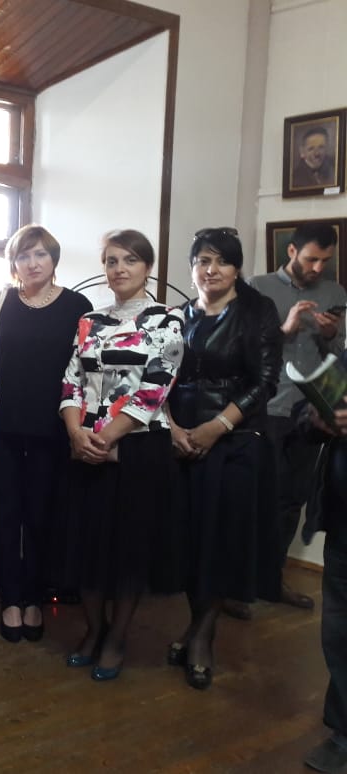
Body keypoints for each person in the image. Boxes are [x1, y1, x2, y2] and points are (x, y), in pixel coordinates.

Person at [59, 229, 183, 681]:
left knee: (129, 548)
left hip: (138, 447)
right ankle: (94, 629)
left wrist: (106, 438)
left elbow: (155, 388)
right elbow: (71, 381)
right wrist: (76, 433)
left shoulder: (167, 320)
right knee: (87, 546)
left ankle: (116, 637)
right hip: (86, 445)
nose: (119, 269)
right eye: (111, 261)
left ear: (147, 267)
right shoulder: (90, 320)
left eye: (130, 260)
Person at [164, 227, 283, 690]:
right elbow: (160, 379)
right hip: (181, 442)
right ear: (192, 267)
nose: (211, 270)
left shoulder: (257, 312)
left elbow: (265, 382)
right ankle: (194, 625)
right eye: (202, 261)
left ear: (236, 268)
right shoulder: (179, 316)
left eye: (222, 261)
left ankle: (202, 637)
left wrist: (217, 427)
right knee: (189, 543)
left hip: (235, 442)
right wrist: (174, 428)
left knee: (219, 543)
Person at [0, 224, 91, 643]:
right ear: (14, 263)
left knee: (42, 516)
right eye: (23, 256)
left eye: (40, 255)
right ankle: (10, 598)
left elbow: (84, 371)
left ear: (54, 259)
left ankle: (35, 597)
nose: (32, 263)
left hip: (53, 429)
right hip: (2, 428)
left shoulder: (77, 306)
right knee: (5, 515)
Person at [250, 223, 347, 613]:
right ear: (291, 252)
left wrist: (330, 335)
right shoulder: (258, 288)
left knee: (293, 501)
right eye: (311, 259)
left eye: (325, 260)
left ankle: (272, 580)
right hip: (268, 407)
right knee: (258, 499)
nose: (318, 268)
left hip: (311, 411)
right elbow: (245, 347)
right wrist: (284, 330)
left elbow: (338, 354)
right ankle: (238, 585)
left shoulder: (335, 293)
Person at [301, 395, 347, 772]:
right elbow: (304, 421)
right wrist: (317, 419)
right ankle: (343, 732)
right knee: (339, 633)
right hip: (342, 521)